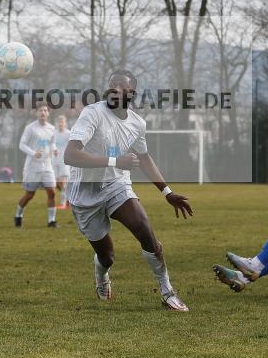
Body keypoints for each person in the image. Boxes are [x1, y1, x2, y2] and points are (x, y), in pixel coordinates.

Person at [64, 70, 193, 312]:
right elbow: (70, 155)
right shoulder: (92, 113)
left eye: (122, 87)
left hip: (117, 185)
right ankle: (102, 276)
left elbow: (144, 158)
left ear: (131, 94)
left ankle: (167, 292)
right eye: (112, 85)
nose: (115, 89)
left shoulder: (137, 123)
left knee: (145, 230)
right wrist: (114, 161)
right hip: (85, 193)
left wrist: (167, 192)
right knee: (107, 257)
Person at [15, 104, 57, 227]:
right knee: (29, 195)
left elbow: (52, 143)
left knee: (52, 192)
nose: (43, 112)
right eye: (40, 110)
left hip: (47, 166)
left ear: (48, 113)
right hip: (32, 166)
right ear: (36, 113)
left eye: (45, 110)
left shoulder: (51, 128)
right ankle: (18, 215)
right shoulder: (30, 128)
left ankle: (52, 221)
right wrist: (33, 153)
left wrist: (54, 150)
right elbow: (21, 145)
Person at [53, 115, 71, 209]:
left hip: (64, 161)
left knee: (63, 182)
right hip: (55, 161)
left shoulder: (69, 133)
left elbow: (73, 146)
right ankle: (69, 200)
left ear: (65, 123)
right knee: (57, 182)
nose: (60, 124)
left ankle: (63, 203)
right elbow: (51, 144)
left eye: (62, 122)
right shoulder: (54, 133)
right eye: (59, 122)